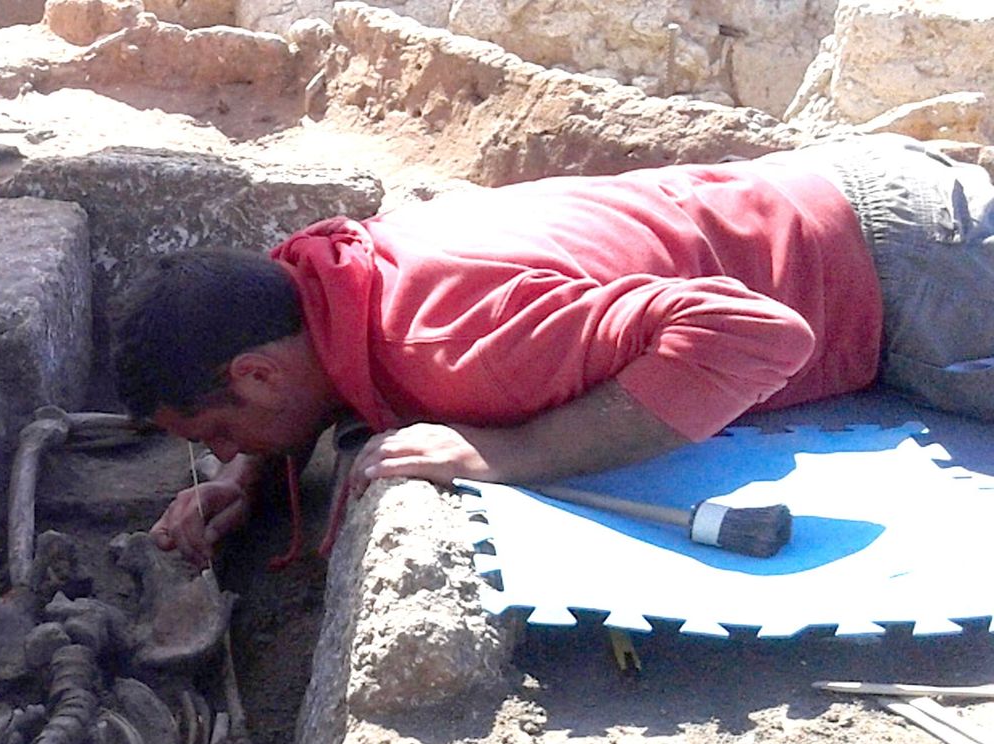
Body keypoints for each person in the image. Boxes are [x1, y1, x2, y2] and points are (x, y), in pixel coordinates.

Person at [110, 134, 994, 565]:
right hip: (831, 196)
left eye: (215, 438)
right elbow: (307, 379)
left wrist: (512, 450)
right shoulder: (324, 277)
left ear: (257, 374)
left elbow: (761, 334)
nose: (216, 456)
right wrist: (246, 479)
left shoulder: (450, 340)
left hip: (919, 274)